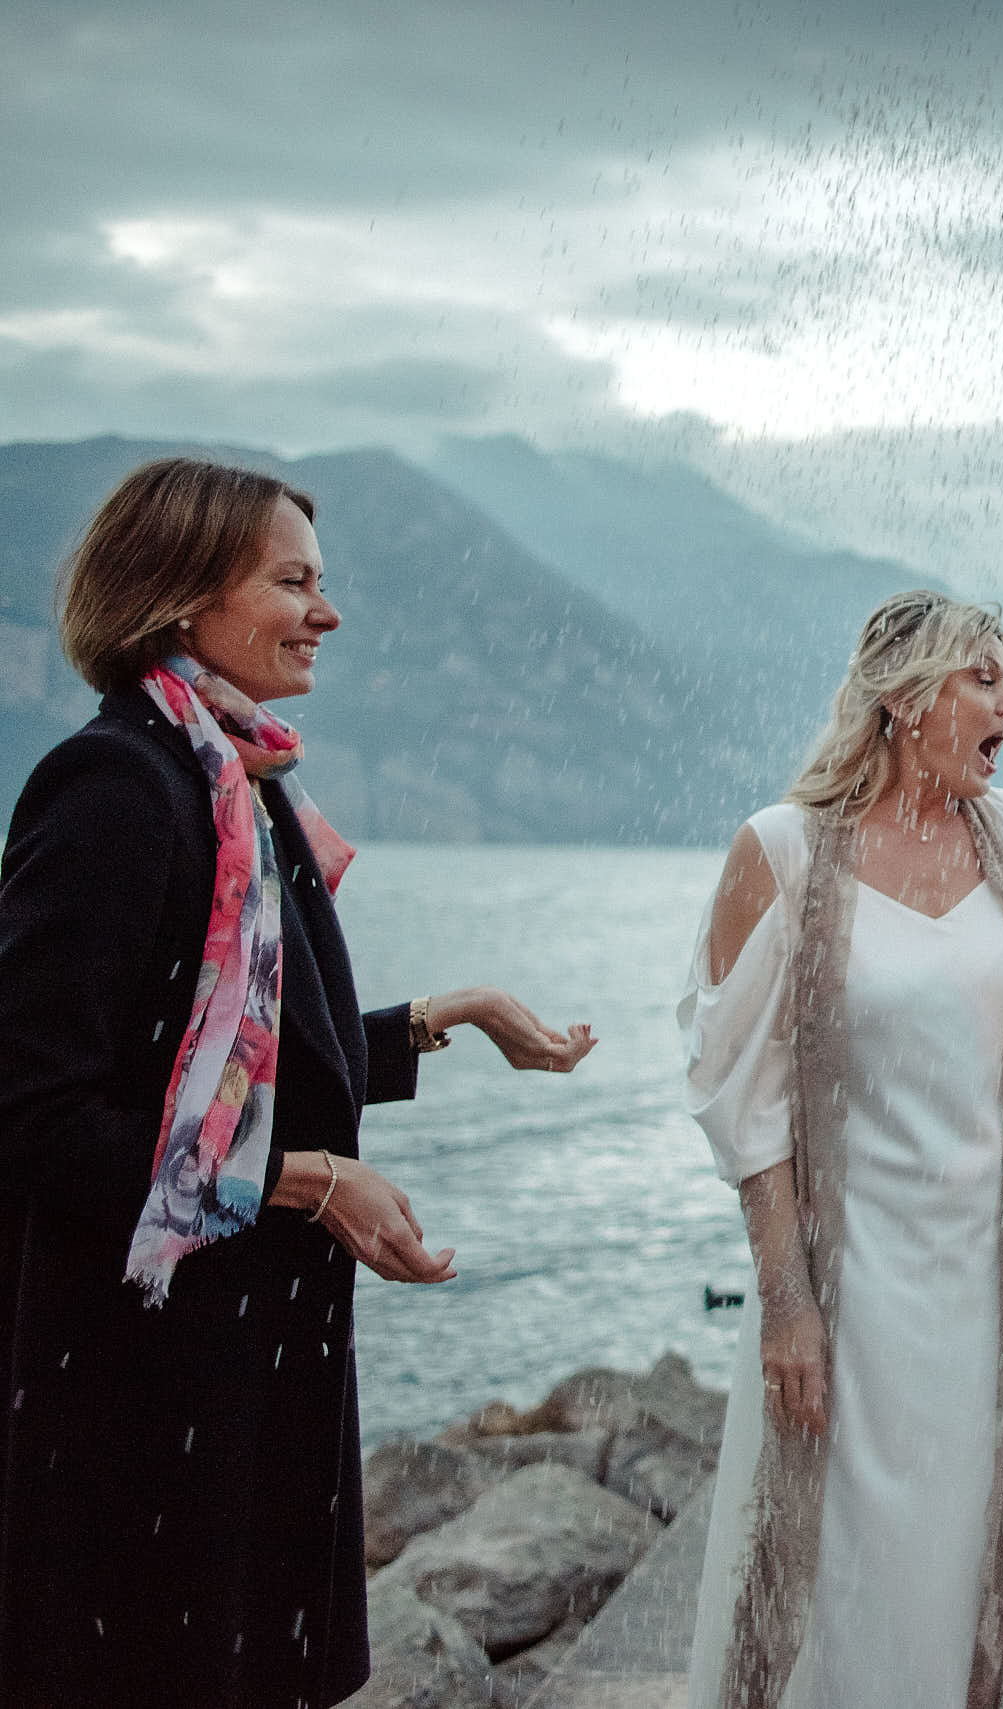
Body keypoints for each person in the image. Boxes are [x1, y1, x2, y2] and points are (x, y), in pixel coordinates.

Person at [0, 457, 596, 1708]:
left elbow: (242, 1065)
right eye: (292, 582)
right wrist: (307, 1182)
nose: (326, 612)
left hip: (241, 1370)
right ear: (181, 597)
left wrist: (445, 1015)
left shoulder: (235, 780)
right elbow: (36, 1115)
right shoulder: (118, 787)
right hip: (141, 1390)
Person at [680, 590, 1003, 1709]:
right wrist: (786, 1302)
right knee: (852, 1569)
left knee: (982, 1555)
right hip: (856, 1286)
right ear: (906, 699)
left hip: (999, 1282)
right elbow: (750, 1111)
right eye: (985, 678)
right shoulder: (781, 852)